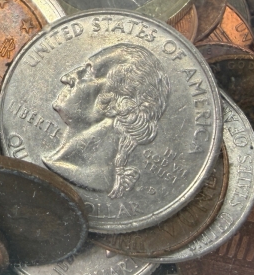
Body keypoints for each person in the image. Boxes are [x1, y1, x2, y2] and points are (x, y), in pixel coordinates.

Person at [43, 43, 170, 199]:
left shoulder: (88, 177)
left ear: (116, 102)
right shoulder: (59, 163)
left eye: (89, 71)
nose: (66, 78)